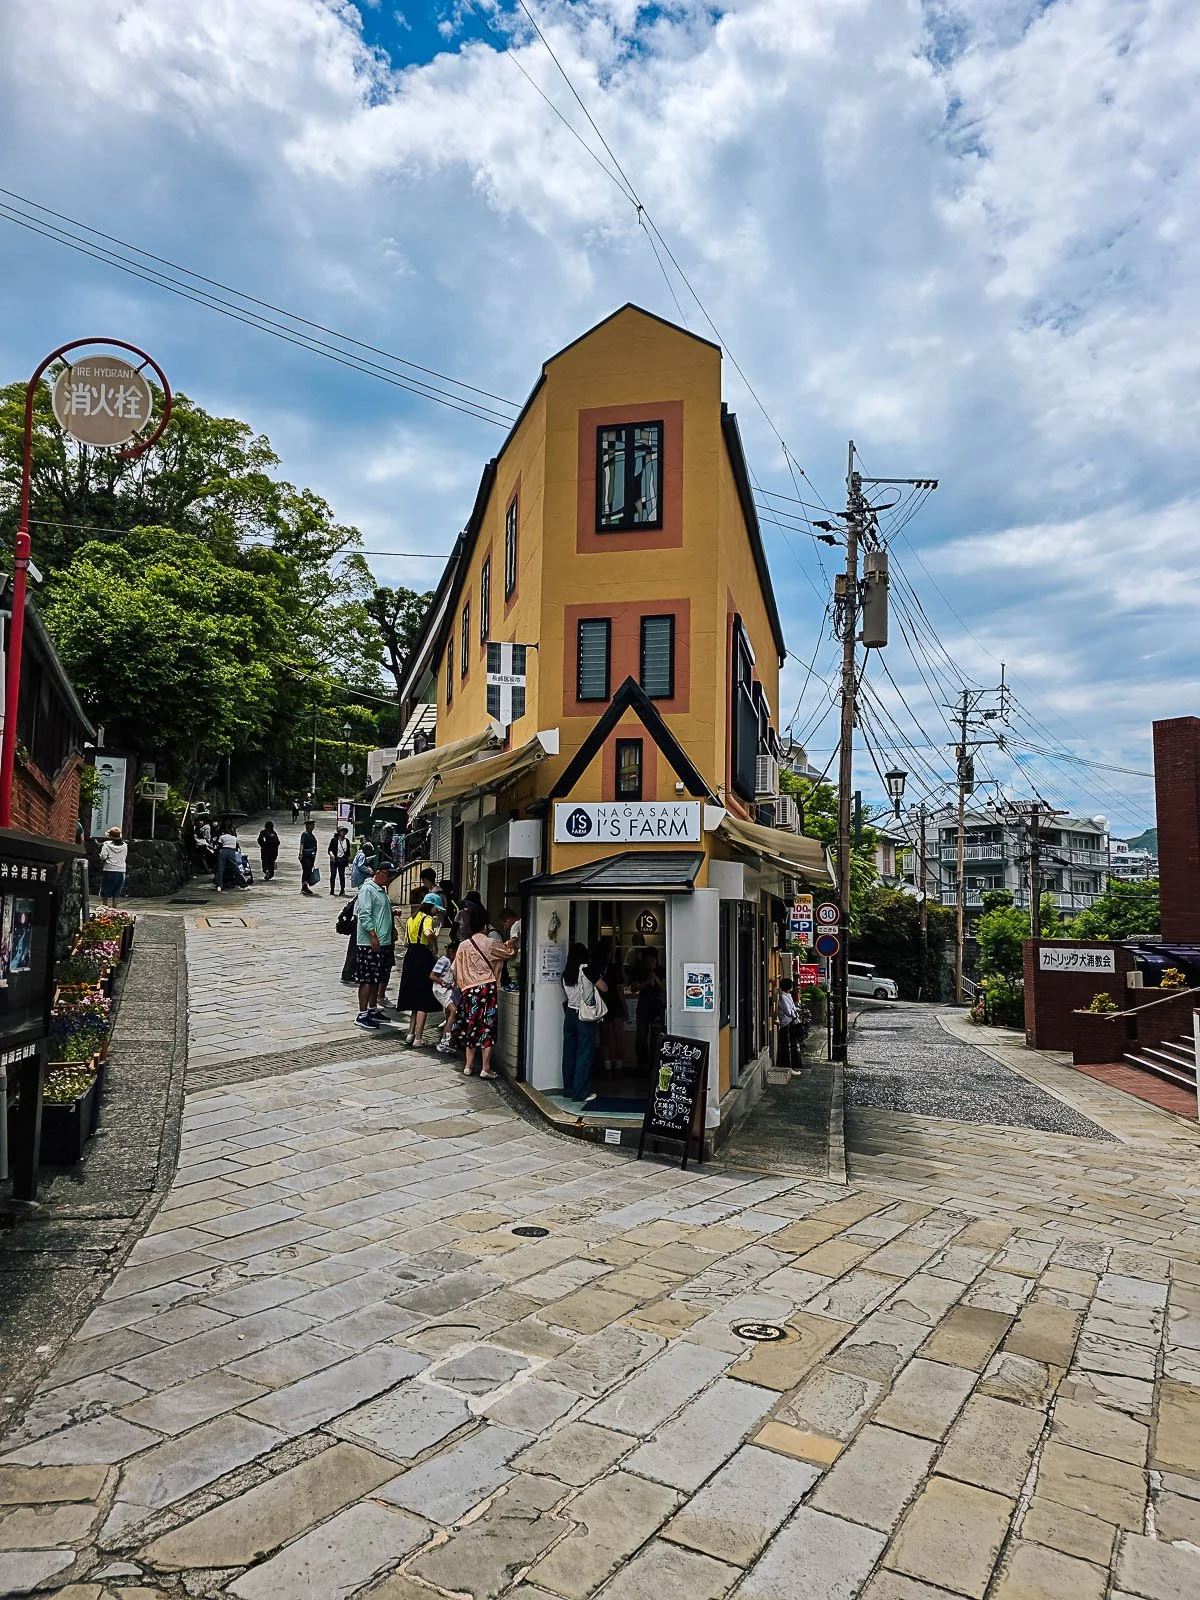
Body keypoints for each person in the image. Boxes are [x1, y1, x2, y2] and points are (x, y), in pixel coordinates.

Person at [450, 905, 514, 1078]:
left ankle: (468, 1066)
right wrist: (512, 942)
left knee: (471, 1025)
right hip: (487, 988)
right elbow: (508, 953)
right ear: (485, 927)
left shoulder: (463, 945)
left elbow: (455, 968)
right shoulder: (490, 943)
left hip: (468, 990)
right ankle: (486, 1068)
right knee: (487, 1026)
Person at [561, 942, 608, 1101]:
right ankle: (580, 1092)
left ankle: (568, 1089)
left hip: (569, 1014)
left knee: (569, 1054)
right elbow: (604, 988)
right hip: (584, 1016)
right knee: (584, 1055)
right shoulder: (588, 969)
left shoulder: (567, 972)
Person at [396, 892, 443, 1046]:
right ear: (432, 906)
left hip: (410, 957)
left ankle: (410, 1034)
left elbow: (406, 943)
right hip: (423, 956)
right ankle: (418, 1038)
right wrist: (434, 944)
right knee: (423, 998)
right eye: (437, 908)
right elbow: (428, 932)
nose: (437, 912)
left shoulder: (411, 919)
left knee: (414, 998)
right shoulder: (427, 919)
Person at [353, 864, 395, 1029]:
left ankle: (372, 1008)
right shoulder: (367, 889)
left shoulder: (380, 890)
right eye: (387, 874)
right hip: (370, 943)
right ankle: (362, 1013)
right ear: (379, 873)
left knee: (377, 978)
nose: (389, 878)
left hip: (383, 942)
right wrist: (372, 936)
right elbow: (364, 913)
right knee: (367, 979)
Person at [596, 942, 627, 1075]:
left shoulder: (594, 968)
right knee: (619, 1037)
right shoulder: (614, 967)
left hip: (602, 1005)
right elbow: (620, 989)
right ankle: (619, 1066)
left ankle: (607, 1066)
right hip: (616, 1004)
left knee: (604, 1038)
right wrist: (625, 1006)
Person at [634, 947, 666, 1071]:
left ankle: (654, 1063)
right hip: (643, 1006)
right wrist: (647, 982)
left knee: (656, 1036)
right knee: (641, 1037)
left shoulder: (661, 970)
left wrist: (655, 978)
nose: (651, 962)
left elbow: (663, 988)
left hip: (657, 1006)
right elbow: (634, 988)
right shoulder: (639, 970)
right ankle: (643, 1062)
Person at [432, 942, 459, 1052]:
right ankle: (447, 1038)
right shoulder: (443, 961)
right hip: (441, 990)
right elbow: (432, 975)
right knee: (454, 1010)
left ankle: (443, 1040)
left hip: (449, 990)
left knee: (449, 1014)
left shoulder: (454, 962)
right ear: (452, 951)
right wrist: (445, 984)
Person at [98, 827, 128, 907]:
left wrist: (100, 856)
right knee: (117, 891)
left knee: (105, 890)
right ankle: (114, 909)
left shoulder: (106, 845)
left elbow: (103, 857)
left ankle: (105, 907)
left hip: (109, 869)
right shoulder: (125, 846)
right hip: (121, 871)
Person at [777, 977, 800, 1072]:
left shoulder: (788, 995)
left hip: (790, 1021)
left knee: (792, 1044)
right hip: (786, 1022)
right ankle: (787, 1066)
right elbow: (788, 1011)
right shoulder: (782, 996)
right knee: (787, 1045)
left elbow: (793, 1008)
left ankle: (793, 1065)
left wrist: (795, 1013)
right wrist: (794, 1014)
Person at [213, 822, 240, 892]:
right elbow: (237, 847)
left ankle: (219, 885)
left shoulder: (222, 837)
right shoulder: (234, 837)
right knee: (236, 868)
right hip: (232, 851)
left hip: (223, 851)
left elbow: (219, 846)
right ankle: (244, 884)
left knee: (220, 868)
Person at [328, 825, 351, 896]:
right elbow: (329, 849)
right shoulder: (334, 840)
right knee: (333, 875)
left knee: (342, 875)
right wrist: (332, 855)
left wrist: (346, 859)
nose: (343, 832)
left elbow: (348, 852)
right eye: (342, 831)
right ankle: (332, 889)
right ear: (339, 832)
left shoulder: (347, 841)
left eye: (344, 831)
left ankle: (342, 890)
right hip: (334, 860)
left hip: (342, 860)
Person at [298, 819, 318, 896]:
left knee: (309, 870)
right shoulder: (305, 834)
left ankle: (306, 886)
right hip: (306, 855)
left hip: (311, 856)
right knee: (306, 870)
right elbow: (302, 844)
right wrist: (300, 854)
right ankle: (304, 886)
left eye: (313, 825)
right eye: (310, 825)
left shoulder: (312, 835)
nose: (312, 826)